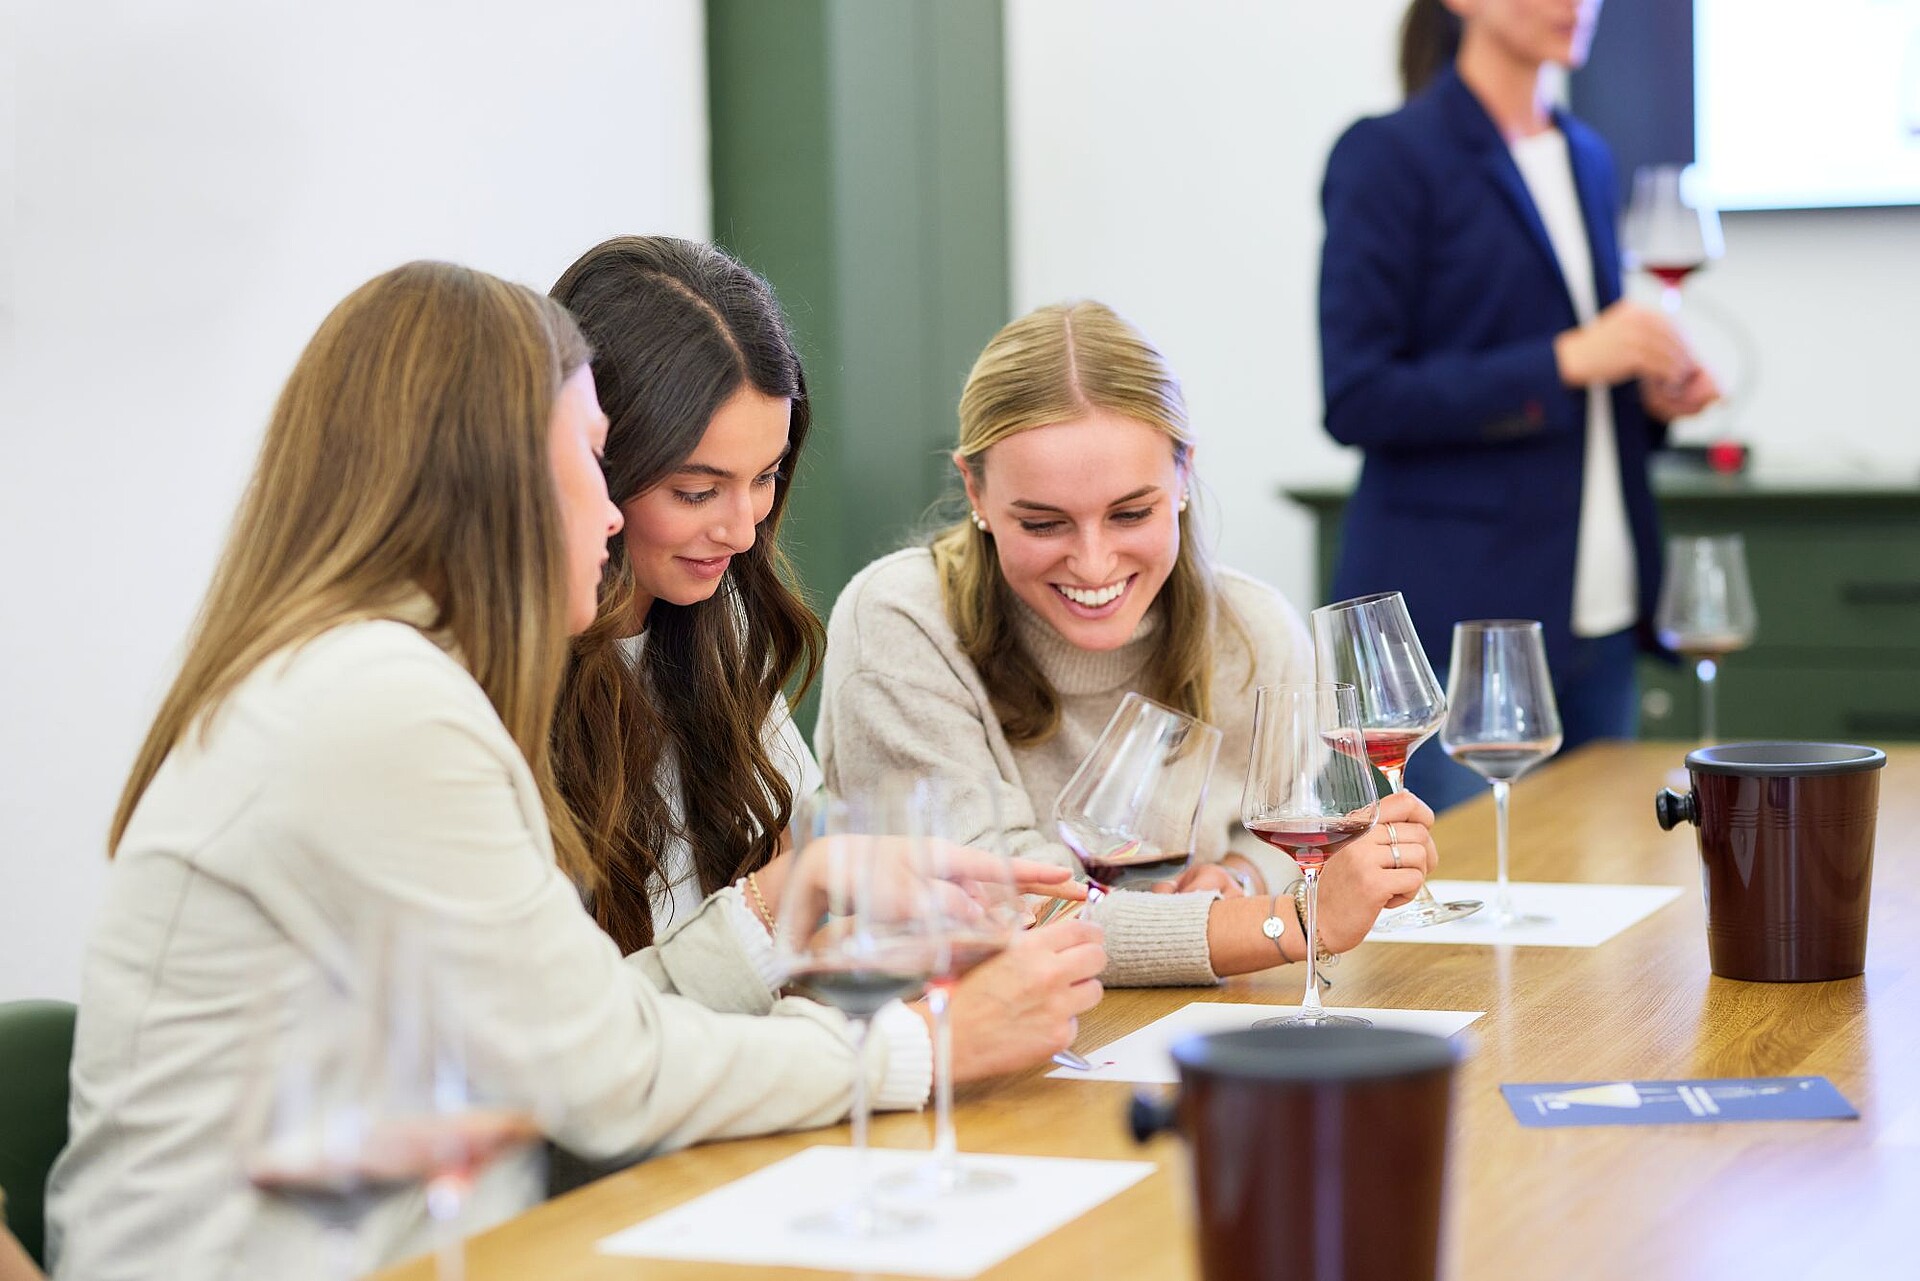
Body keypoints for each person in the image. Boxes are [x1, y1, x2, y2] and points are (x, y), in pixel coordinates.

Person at [44, 262, 1072, 1281]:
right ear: (495, 477)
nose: (617, 515)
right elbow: (604, 1079)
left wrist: (778, 907)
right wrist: (919, 1052)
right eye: (595, 457)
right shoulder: (382, 704)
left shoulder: (376, 675)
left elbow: (573, 1041)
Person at [545, 235, 1106, 1076]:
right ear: (589, 464)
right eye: (695, 491)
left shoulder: (715, 620)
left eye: (766, 476)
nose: (740, 530)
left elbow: (815, 887)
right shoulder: (496, 685)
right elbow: (578, 1061)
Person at [817, 301, 1439, 987]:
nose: (1093, 563)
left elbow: (1286, 828)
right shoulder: (900, 623)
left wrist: (1235, 874)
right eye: (1044, 522)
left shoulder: (1252, 631)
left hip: (1172, 1029)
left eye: (1131, 513)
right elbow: (995, 911)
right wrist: (1296, 922)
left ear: (1182, 476)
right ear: (976, 489)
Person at [1319, 0, 1719, 810]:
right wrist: (1567, 360)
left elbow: (1574, 389)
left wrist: (1649, 394)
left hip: (1596, 610)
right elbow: (1357, 394)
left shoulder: (1587, 156)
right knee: (1460, 914)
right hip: (1460, 626)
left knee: (1602, 907)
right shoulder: (1390, 155)